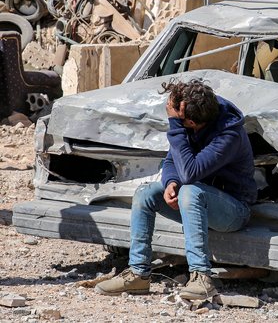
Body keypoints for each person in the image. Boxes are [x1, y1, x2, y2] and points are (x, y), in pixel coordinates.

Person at [95, 78, 257, 299]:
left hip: (233, 210)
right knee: (145, 193)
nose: (173, 121)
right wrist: (171, 182)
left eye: (179, 121)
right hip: (199, 202)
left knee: (190, 190)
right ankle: (138, 273)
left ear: (190, 122)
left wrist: (174, 125)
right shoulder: (195, 123)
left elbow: (190, 173)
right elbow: (173, 160)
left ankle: (201, 278)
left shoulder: (229, 135)